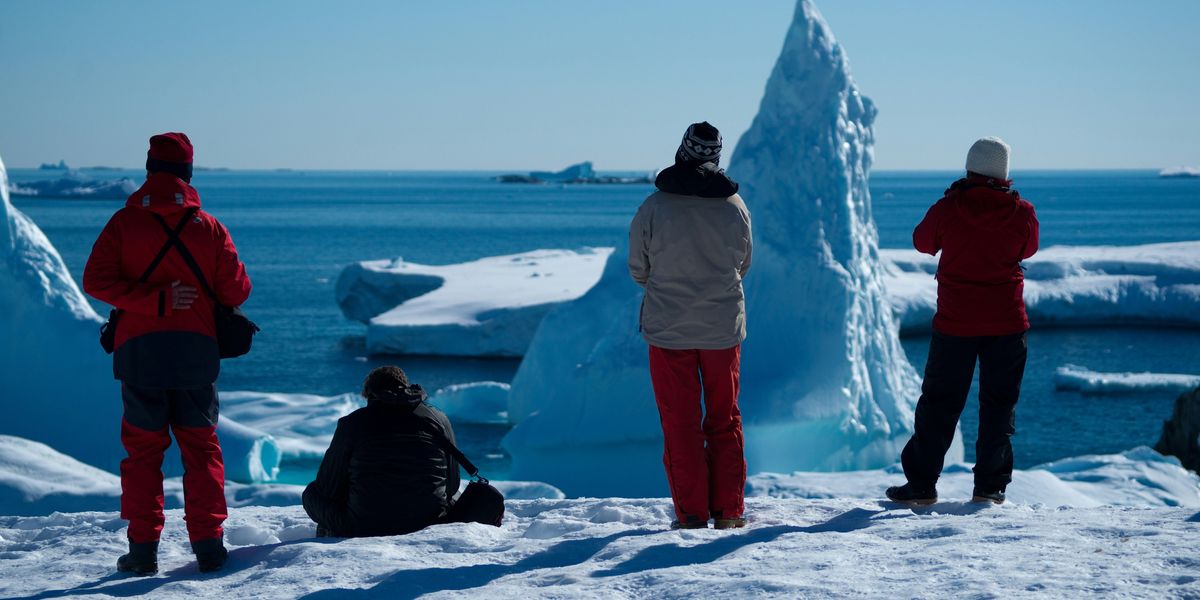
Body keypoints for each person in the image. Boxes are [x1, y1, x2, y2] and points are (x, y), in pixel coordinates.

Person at [83, 132, 252, 575]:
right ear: (188, 173)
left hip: (140, 355)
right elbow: (237, 289)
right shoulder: (209, 227)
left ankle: (142, 552)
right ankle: (209, 546)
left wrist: (149, 301)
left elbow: (96, 283)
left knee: (142, 455)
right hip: (195, 355)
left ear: (149, 170)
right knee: (201, 450)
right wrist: (181, 296)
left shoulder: (123, 223)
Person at [887, 136, 1039, 506]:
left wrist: (954, 205)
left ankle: (921, 484)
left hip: (956, 323)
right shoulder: (1021, 212)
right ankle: (990, 486)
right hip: (1006, 324)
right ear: (1004, 174)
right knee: (999, 405)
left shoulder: (950, 207)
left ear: (970, 168)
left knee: (939, 403)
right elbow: (1029, 248)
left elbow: (922, 241)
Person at [628, 122, 752, 530]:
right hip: (722, 330)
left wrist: (669, 288)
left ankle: (692, 514)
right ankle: (730, 512)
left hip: (669, 330)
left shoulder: (655, 207)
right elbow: (743, 263)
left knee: (680, 423)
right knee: (725, 418)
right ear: (717, 157)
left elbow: (638, 268)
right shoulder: (734, 206)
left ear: (682, 152)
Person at [304, 365, 500, 537]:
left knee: (311, 494)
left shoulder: (352, 423)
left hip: (363, 525)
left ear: (369, 394)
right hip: (428, 521)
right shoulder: (437, 418)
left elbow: (327, 486)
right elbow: (452, 484)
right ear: (406, 386)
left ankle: (330, 535)